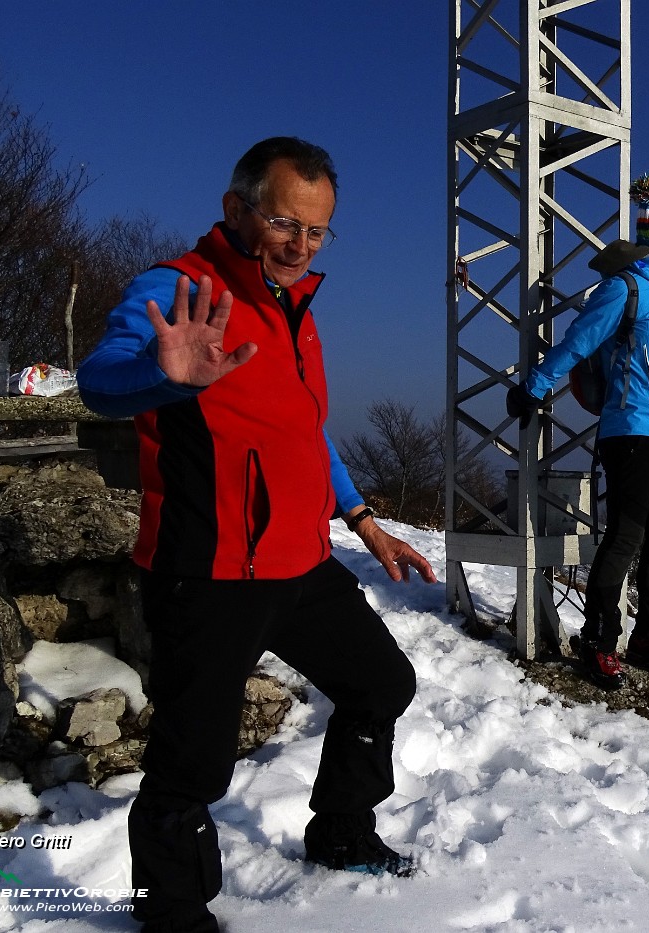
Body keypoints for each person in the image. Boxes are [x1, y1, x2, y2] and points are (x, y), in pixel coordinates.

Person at [78, 137, 437, 933]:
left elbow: (305, 432)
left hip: (298, 565)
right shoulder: (178, 288)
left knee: (381, 684)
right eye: (284, 223)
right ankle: (171, 911)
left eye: (317, 231)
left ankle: (342, 832)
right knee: (191, 762)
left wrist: (364, 520)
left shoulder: (294, 306)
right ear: (236, 209)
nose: (300, 245)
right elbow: (98, 380)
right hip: (206, 570)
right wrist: (162, 374)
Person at [506, 172, 649, 690]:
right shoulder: (625, 288)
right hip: (632, 428)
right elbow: (579, 341)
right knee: (626, 537)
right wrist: (534, 386)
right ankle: (599, 639)